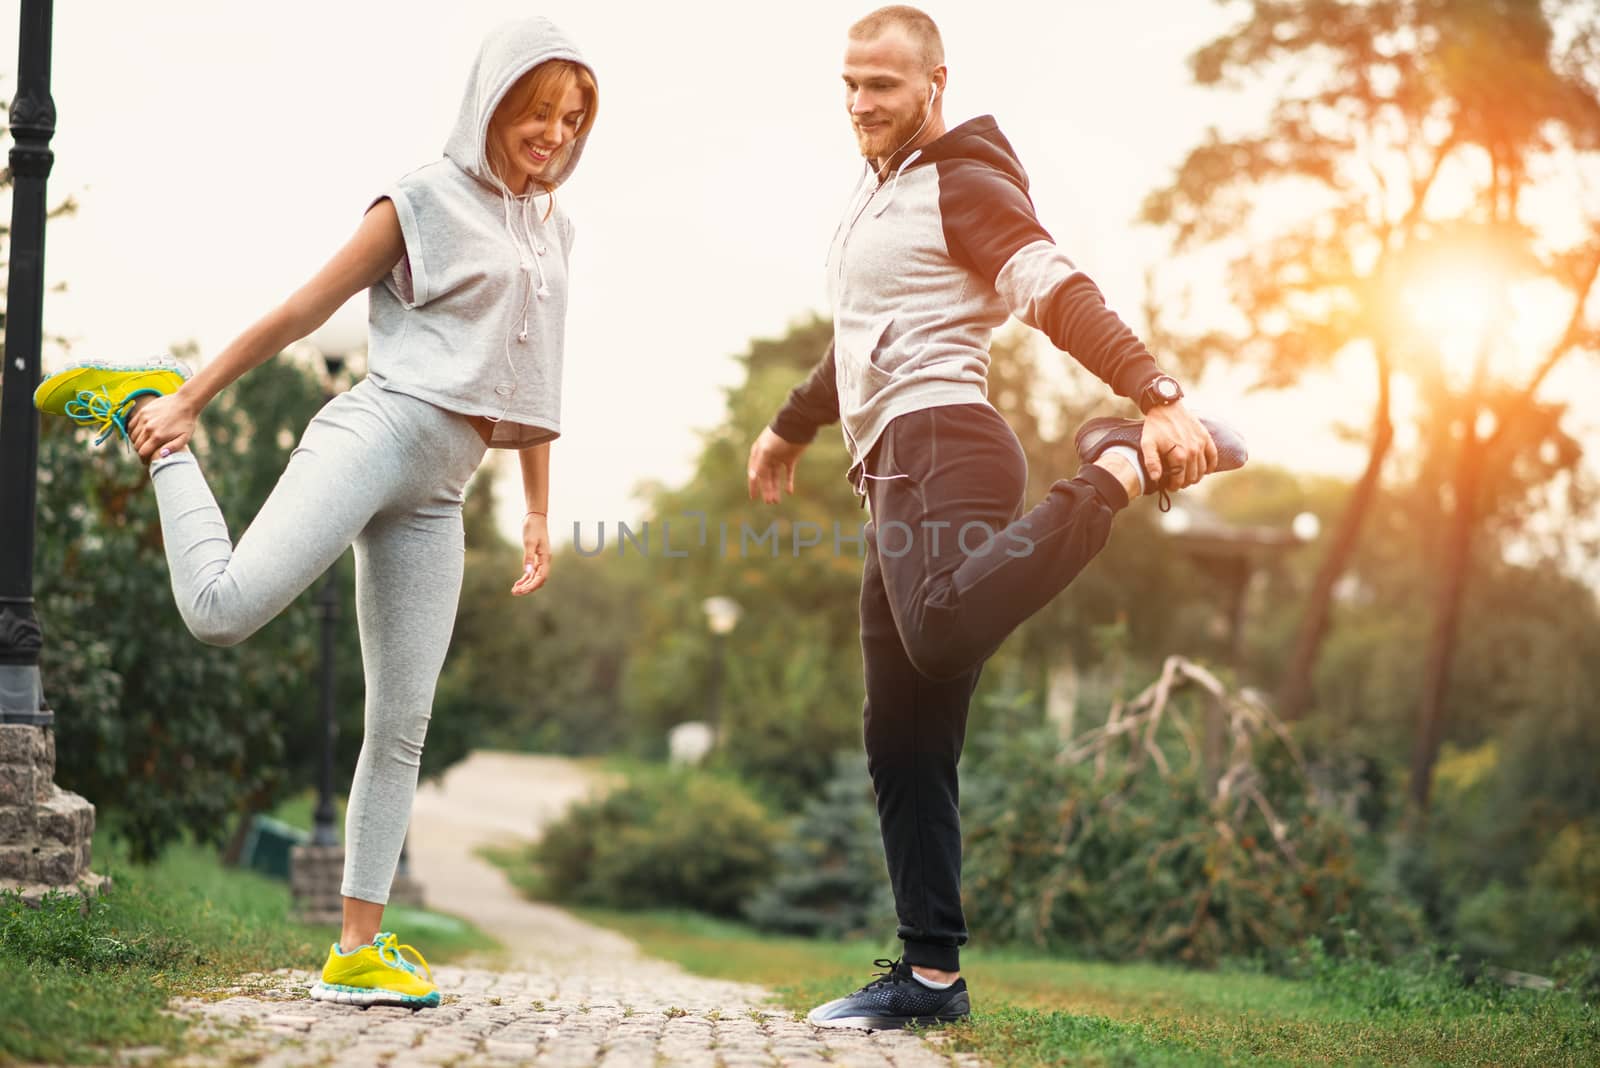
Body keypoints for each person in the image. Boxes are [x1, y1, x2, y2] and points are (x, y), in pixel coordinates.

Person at [34, 17, 597, 1009]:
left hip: (443, 490)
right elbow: (304, 307)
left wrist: (540, 511)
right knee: (219, 610)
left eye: (571, 117)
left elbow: (537, 384)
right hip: (374, 433)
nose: (553, 132)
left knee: (402, 724)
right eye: (536, 111)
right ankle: (143, 407)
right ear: (493, 102)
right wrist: (192, 400)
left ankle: (353, 951)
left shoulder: (554, 230)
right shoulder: (423, 197)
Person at [745, 5, 1247, 1030]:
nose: (860, 102)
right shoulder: (875, 194)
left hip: (950, 446)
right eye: (848, 82)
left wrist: (1153, 394)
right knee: (902, 735)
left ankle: (1105, 473)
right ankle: (929, 978)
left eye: (881, 84)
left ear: (934, 81)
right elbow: (858, 344)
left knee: (936, 636)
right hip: (889, 467)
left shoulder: (962, 186)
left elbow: (1054, 288)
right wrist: (788, 428)